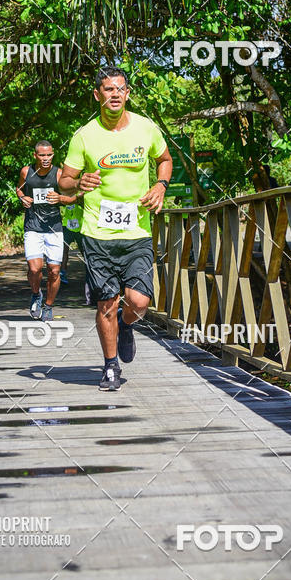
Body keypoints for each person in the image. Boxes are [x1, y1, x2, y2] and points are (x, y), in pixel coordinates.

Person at [59, 67, 173, 390]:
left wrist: (161, 185)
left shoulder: (146, 128)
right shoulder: (84, 135)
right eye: (108, 89)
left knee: (138, 301)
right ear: (98, 94)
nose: (114, 95)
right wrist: (78, 181)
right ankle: (111, 367)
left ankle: (127, 326)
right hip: (97, 233)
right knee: (107, 301)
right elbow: (65, 180)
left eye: (120, 89)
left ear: (127, 94)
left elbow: (165, 159)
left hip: (137, 230)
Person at [16, 140, 76, 322]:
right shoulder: (26, 172)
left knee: (54, 271)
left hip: (54, 228)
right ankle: (36, 295)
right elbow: (18, 189)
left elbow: (73, 198)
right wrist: (22, 197)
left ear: (53, 155)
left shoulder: (58, 174)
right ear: (35, 155)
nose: (46, 158)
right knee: (34, 269)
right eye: (42, 155)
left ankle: (48, 306)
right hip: (33, 226)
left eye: (49, 155)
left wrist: (60, 198)